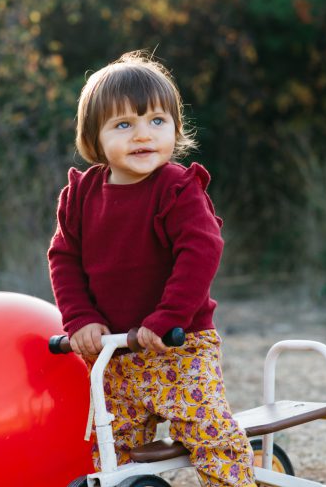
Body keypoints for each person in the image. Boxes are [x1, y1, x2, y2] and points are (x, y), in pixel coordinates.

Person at [47, 51, 256, 487]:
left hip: (178, 345)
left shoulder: (177, 189)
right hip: (116, 352)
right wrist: (81, 319)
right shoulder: (82, 196)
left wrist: (168, 318)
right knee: (114, 447)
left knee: (208, 435)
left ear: (175, 129)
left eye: (156, 121)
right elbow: (63, 258)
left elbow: (201, 250)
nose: (143, 135)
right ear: (95, 138)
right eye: (124, 125)